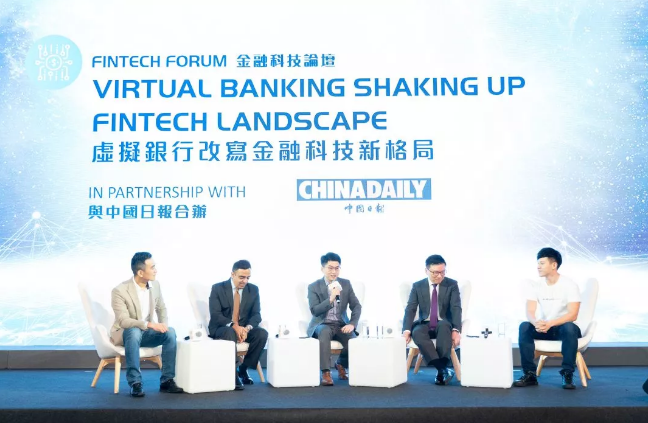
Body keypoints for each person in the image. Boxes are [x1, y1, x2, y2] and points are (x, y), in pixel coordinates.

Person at [110, 252, 184, 397]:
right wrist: (149, 324)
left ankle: (167, 380)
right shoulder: (120, 290)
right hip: (126, 334)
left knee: (170, 332)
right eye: (152, 267)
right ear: (140, 272)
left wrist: (163, 325)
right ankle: (135, 383)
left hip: (146, 334)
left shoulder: (155, 285)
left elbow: (161, 308)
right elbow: (124, 321)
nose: (156, 270)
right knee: (134, 331)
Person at [514, 247, 581, 389]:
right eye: (538, 263)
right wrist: (536, 323)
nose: (538, 267)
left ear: (554, 265)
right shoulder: (536, 286)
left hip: (563, 328)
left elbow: (573, 314)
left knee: (569, 327)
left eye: (542, 263)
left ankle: (567, 374)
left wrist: (551, 323)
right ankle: (530, 374)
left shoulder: (569, 285)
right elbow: (530, 311)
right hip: (545, 328)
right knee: (524, 326)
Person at [402, 254, 462, 386]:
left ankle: (442, 370)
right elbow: (411, 308)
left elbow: (456, 308)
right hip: (425, 322)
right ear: (426, 271)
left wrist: (456, 330)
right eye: (435, 272)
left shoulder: (452, 284)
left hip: (443, 322)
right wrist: (406, 330)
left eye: (443, 272)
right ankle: (443, 370)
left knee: (444, 326)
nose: (440, 276)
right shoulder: (418, 286)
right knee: (417, 331)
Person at [209, 259, 268, 391]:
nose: (245, 281)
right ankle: (233, 373)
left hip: (243, 328)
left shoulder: (253, 289)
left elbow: (256, 315)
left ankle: (243, 369)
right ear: (232, 274)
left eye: (248, 278)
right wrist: (234, 326)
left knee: (262, 334)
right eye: (242, 277)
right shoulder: (218, 288)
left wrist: (246, 329)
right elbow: (216, 315)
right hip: (222, 328)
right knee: (230, 332)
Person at [307, 252, 362, 386]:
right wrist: (331, 298)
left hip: (340, 323)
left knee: (353, 341)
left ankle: (341, 363)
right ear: (322, 269)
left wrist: (352, 324)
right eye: (330, 268)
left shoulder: (345, 284)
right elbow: (315, 311)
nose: (334, 272)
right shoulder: (314, 286)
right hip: (322, 323)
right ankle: (326, 372)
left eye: (337, 268)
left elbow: (356, 306)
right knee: (325, 331)